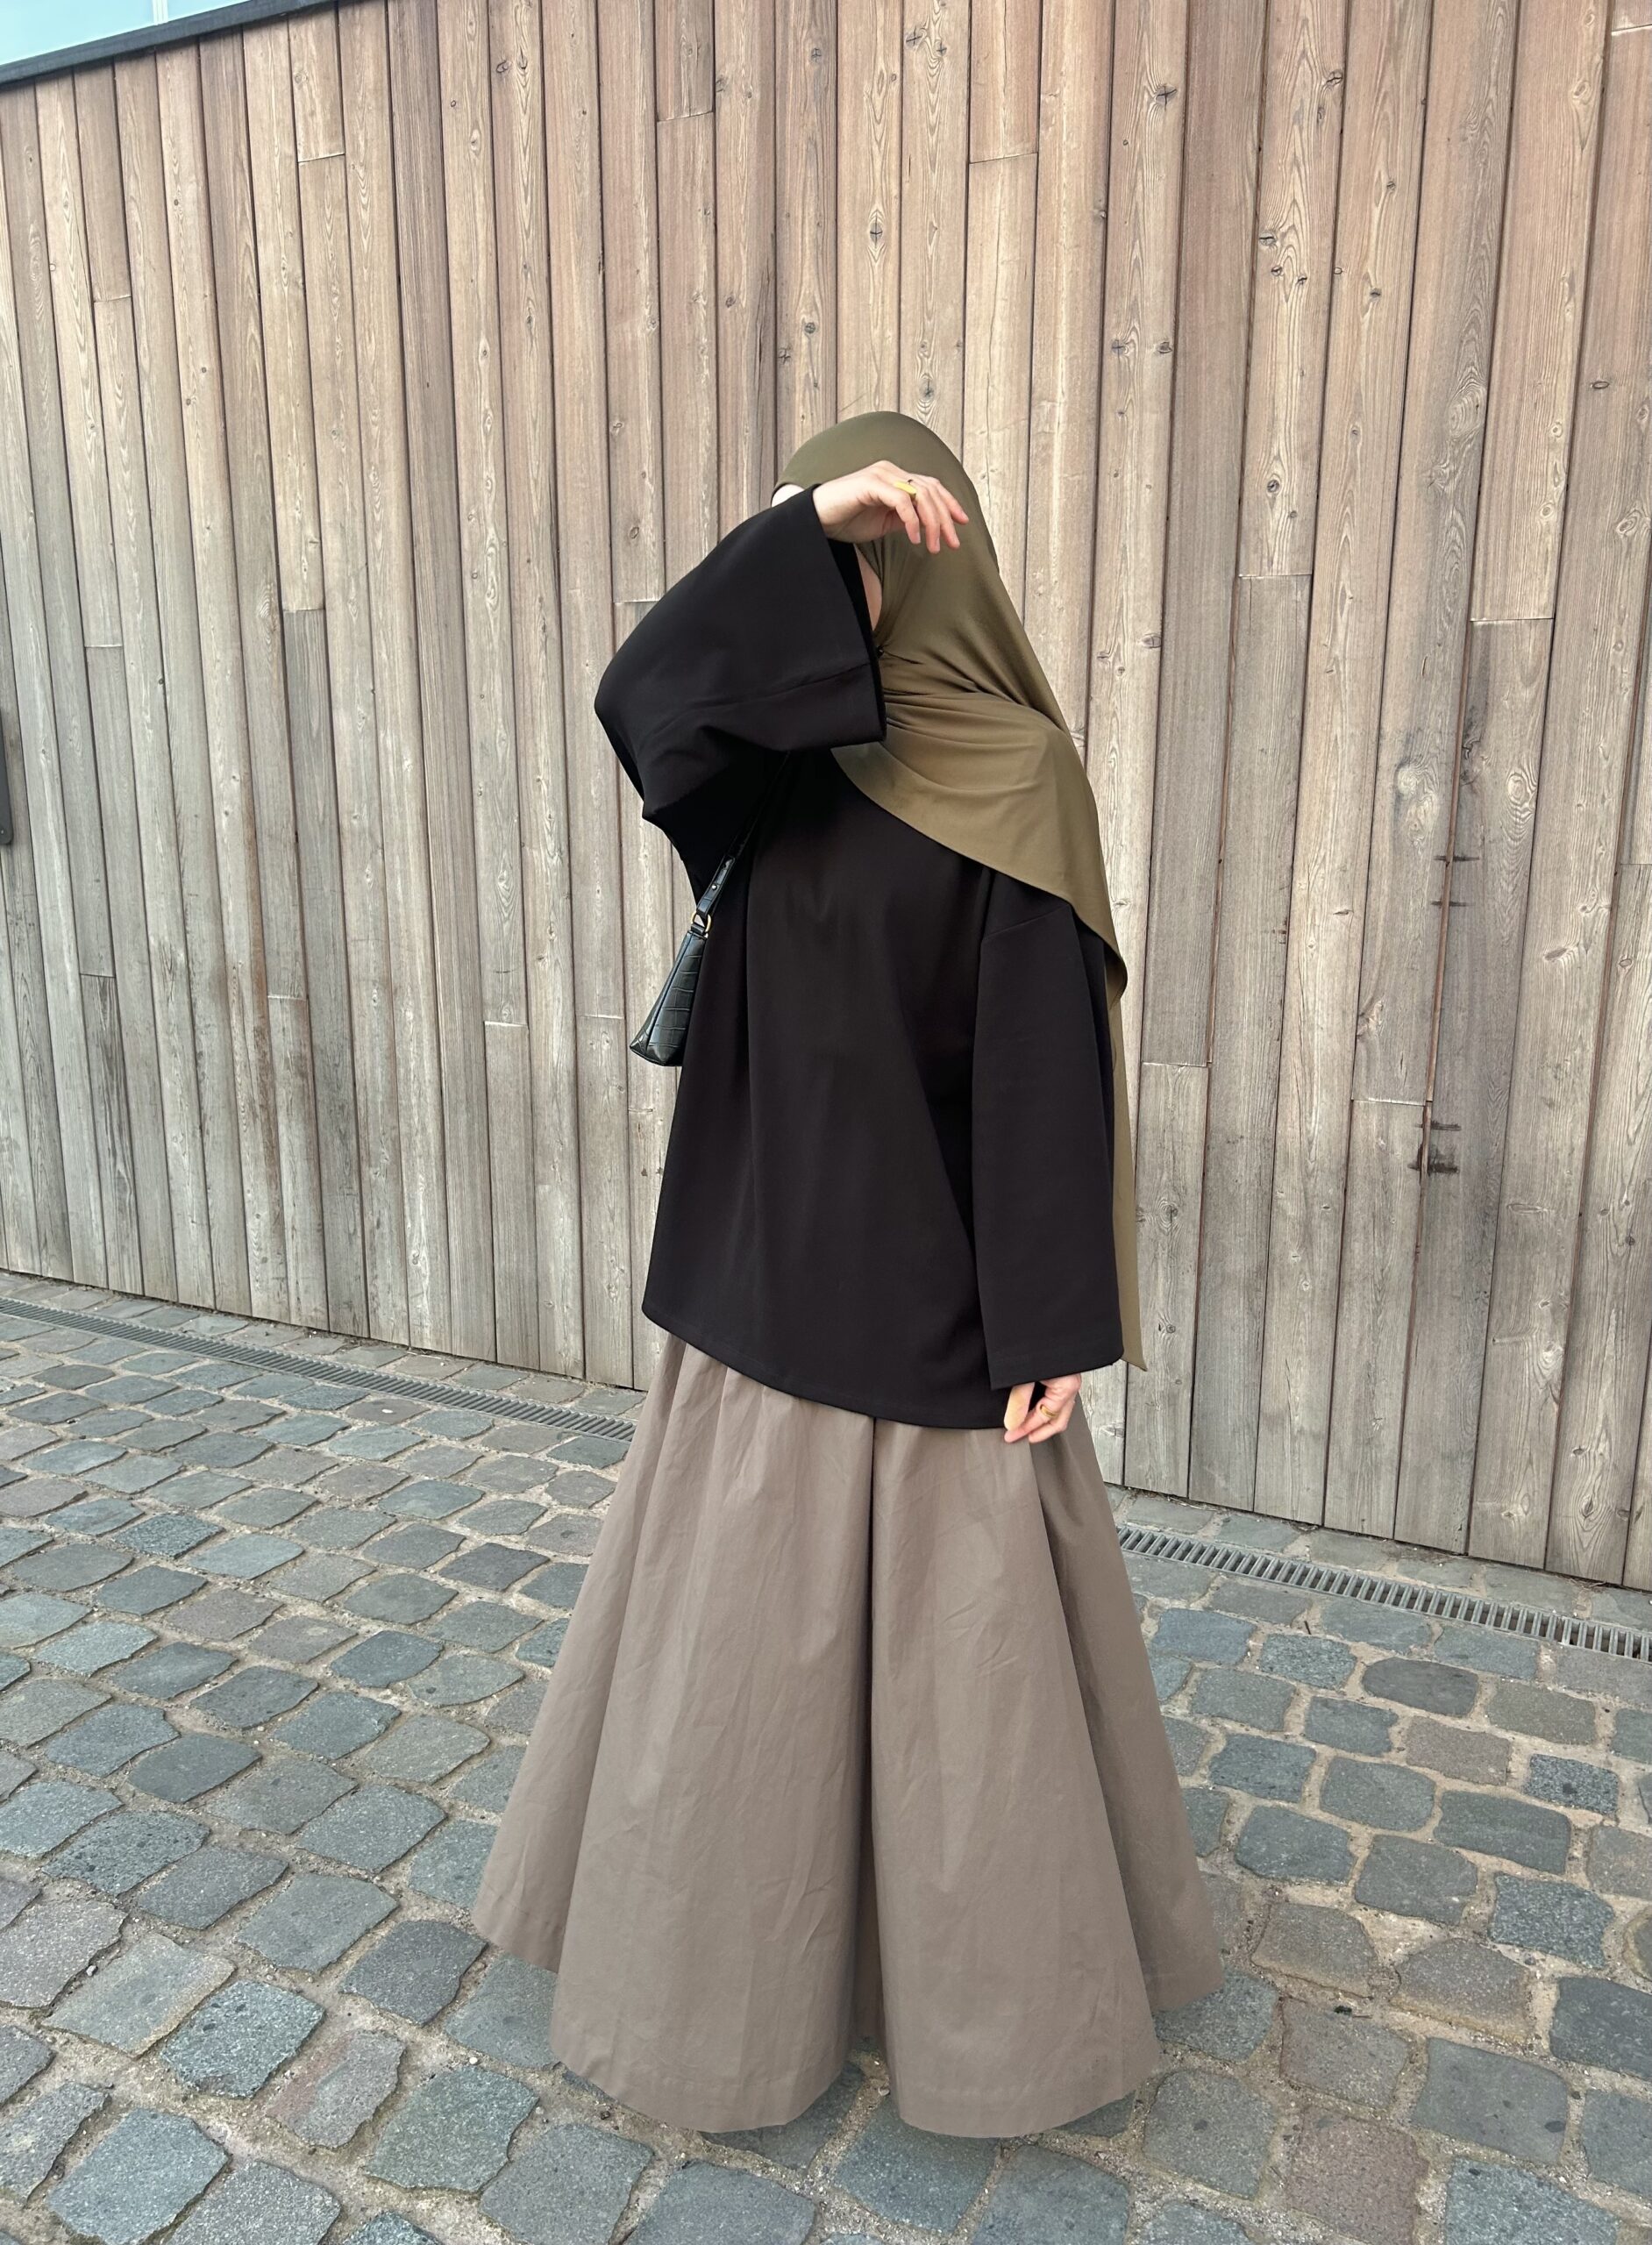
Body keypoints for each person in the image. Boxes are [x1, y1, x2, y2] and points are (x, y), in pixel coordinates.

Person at [467, 409, 1222, 2139]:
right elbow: (641, 690)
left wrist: (1049, 1325)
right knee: (738, 1690)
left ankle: (974, 2007)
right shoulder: (776, 756)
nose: (837, 593)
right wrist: (801, 516)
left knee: (965, 1696)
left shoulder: (1017, 782)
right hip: (755, 1283)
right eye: (823, 565)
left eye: (867, 562)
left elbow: (1041, 1079)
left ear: (937, 575)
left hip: (923, 1309)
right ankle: (714, 1994)